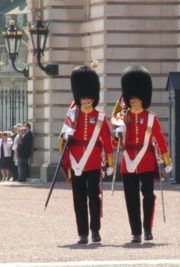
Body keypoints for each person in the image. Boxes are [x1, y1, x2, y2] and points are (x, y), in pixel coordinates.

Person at [113, 65, 172, 243]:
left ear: (143, 98)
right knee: (131, 198)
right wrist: (117, 133)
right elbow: (115, 143)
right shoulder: (123, 118)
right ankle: (136, 231)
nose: (134, 101)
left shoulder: (151, 118)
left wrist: (166, 160)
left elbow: (160, 139)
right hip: (128, 161)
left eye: (137, 98)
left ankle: (147, 228)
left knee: (148, 195)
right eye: (131, 98)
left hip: (146, 160)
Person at [60, 65, 114, 244]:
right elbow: (63, 137)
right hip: (76, 162)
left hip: (93, 162)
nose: (85, 100)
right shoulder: (73, 116)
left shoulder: (100, 117)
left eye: (88, 97)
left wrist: (111, 164)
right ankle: (82, 232)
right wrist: (65, 135)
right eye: (82, 97)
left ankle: (95, 229)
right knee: (79, 199)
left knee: (94, 197)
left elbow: (107, 142)